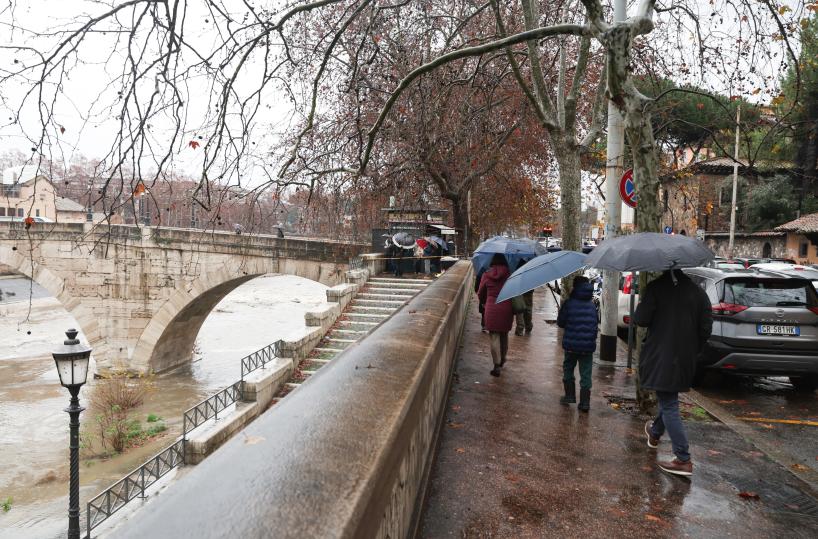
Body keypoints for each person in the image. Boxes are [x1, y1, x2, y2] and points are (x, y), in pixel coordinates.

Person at [634, 269, 712, 477]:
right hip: (686, 356)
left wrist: (644, 302)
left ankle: (683, 458)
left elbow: (640, 319)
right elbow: (706, 328)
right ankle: (655, 432)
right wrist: (694, 349)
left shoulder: (656, 288)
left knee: (669, 403)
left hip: (661, 355)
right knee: (667, 396)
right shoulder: (698, 293)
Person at [556, 275, 599, 411]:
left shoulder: (569, 303)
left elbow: (561, 323)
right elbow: (595, 324)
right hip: (587, 347)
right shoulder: (592, 306)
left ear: (575, 287)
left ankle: (569, 396)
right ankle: (585, 403)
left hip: (571, 345)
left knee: (568, 368)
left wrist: (561, 311)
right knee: (586, 374)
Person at [477, 254, 513, 377]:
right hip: (506, 306)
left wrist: (483, 301)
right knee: (504, 334)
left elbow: (480, 292)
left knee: (494, 336)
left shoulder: (486, 274)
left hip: (491, 307)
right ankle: (503, 359)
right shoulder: (509, 274)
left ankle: (496, 364)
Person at [513, 259, 534, 336]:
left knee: (520, 308)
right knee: (528, 308)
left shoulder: (517, 262)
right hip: (529, 288)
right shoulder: (531, 262)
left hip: (519, 288)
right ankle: (528, 326)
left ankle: (520, 328)